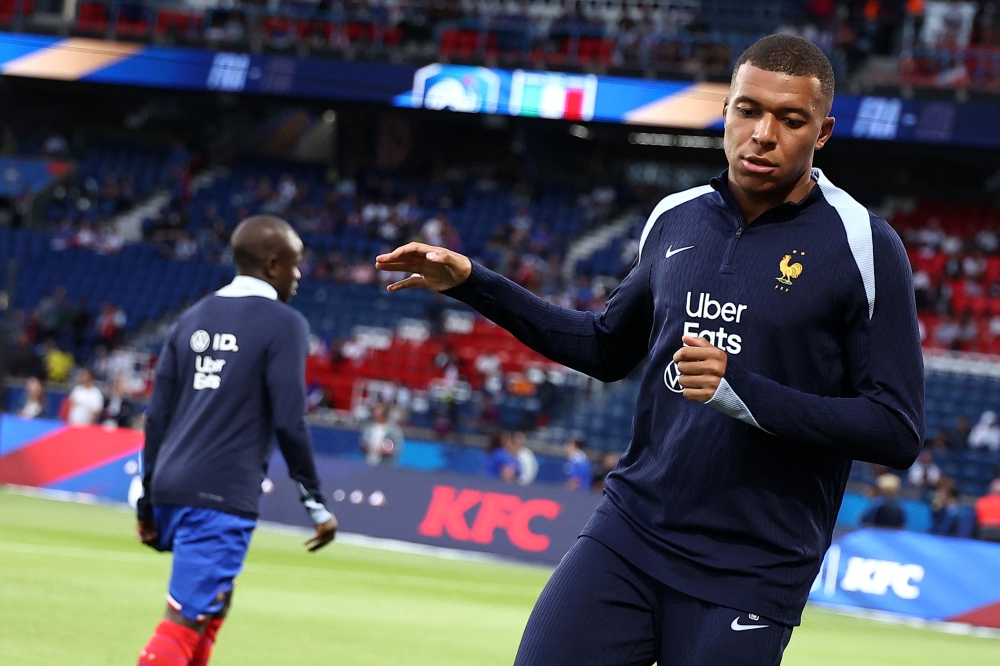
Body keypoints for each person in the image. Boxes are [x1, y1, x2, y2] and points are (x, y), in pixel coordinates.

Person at [376, 34, 923, 665]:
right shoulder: (676, 217)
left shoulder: (864, 245)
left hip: (753, 565)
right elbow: (605, 348)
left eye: (791, 120)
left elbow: (896, 429)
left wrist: (742, 390)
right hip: (631, 531)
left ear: (822, 132)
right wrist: (475, 283)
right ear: (726, 110)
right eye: (748, 110)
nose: (763, 134)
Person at [135, 215, 338, 666]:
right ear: (273, 265)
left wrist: (147, 502)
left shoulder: (190, 318)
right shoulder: (284, 323)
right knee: (186, 618)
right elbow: (290, 420)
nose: (299, 275)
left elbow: (157, 418)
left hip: (170, 487)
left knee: (213, 607)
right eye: (295, 263)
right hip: (221, 494)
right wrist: (316, 504)